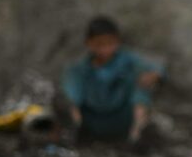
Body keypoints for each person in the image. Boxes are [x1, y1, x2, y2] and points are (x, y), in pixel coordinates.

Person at [60, 15, 164, 144]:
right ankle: (75, 130)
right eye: (99, 44)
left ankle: (137, 132)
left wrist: (153, 75)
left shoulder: (127, 60)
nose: (105, 49)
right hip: (92, 118)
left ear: (117, 42)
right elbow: (72, 94)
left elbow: (154, 67)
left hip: (122, 116)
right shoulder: (79, 69)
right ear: (89, 43)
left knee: (142, 79)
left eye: (110, 43)